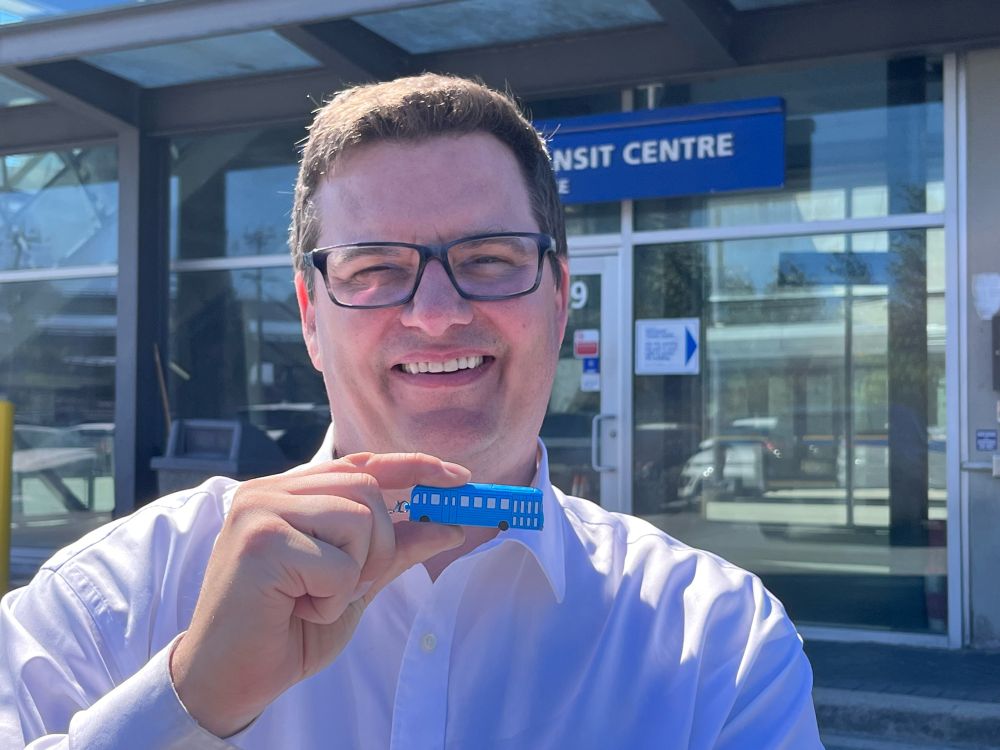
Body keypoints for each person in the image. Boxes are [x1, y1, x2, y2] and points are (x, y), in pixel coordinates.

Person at [0, 74, 823, 749]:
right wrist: (185, 701)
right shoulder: (110, 602)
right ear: (312, 316)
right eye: (374, 269)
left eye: (489, 259)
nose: (435, 313)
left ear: (561, 299)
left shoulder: (719, 642)